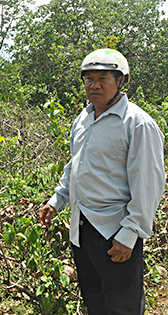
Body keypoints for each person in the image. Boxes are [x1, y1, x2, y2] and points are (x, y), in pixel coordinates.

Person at [39, 48, 166, 315]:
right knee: (94, 300)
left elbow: (148, 184)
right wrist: (57, 199)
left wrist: (130, 233)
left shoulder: (137, 124)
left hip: (115, 231)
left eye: (103, 78)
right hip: (83, 229)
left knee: (123, 306)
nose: (94, 85)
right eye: (88, 79)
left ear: (121, 81)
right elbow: (77, 164)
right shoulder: (84, 119)